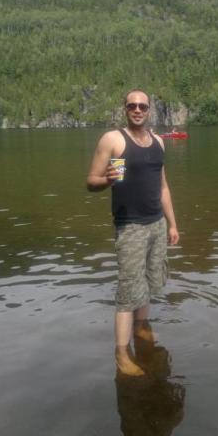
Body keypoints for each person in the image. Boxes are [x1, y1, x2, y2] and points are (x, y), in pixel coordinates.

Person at [86, 89, 179, 376]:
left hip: (157, 223)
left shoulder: (159, 142)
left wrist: (172, 224)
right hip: (130, 226)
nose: (137, 110)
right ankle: (121, 353)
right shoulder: (113, 139)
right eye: (132, 105)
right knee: (128, 290)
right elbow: (91, 181)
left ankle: (141, 329)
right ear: (125, 109)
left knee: (149, 283)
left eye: (142, 106)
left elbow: (163, 187)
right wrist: (107, 181)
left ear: (149, 110)